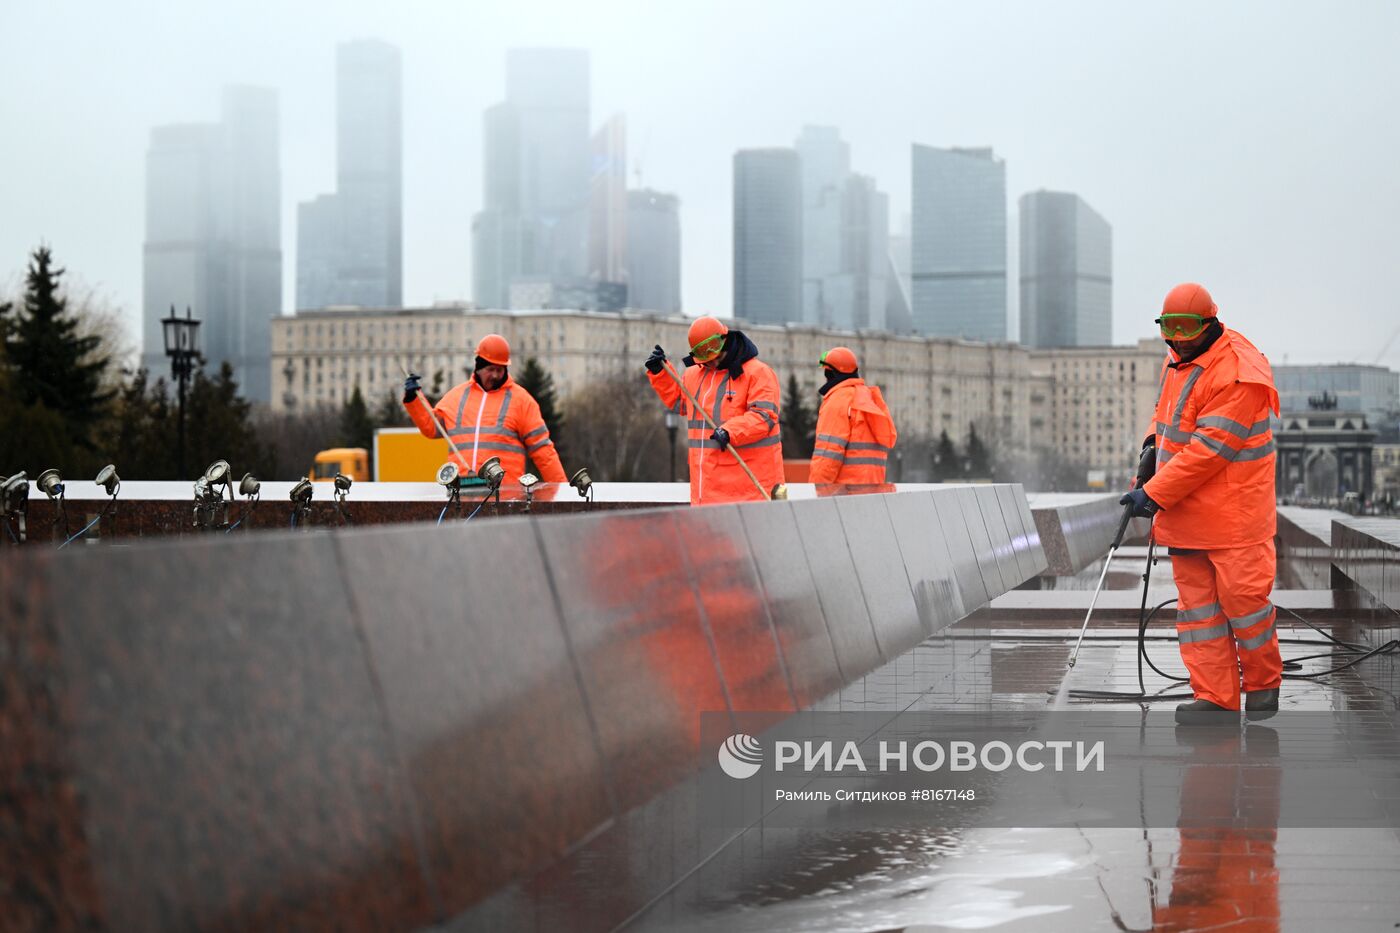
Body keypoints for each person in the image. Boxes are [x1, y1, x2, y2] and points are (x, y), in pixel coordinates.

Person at [1119, 283, 1283, 723]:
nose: (1177, 338)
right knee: (1200, 614)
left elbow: (1211, 450)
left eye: (1187, 328)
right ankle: (1214, 698)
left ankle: (1264, 687)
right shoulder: (1177, 361)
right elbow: (1167, 417)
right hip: (1189, 515)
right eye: (1168, 329)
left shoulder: (1237, 372)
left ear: (1209, 322)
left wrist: (1152, 493)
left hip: (1235, 519)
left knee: (1244, 604)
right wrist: (1151, 448)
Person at [644, 316, 782, 505]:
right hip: (706, 489)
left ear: (725, 339)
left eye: (716, 353)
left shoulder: (758, 373)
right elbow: (681, 402)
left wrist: (729, 431)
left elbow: (764, 416)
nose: (713, 361)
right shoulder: (694, 375)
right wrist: (661, 373)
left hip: (749, 491)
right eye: (706, 356)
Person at [402, 333, 567, 486]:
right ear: (478, 367)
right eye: (490, 369)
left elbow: (543, 451)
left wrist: (564, 493)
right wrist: (414, 398)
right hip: (461, 492)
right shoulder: (456, 397)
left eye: (499, 370)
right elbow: (431, 428)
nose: (495, 375)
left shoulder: (522, 401)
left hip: (505, 497)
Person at [808, 346, 897, 484]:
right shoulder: (868, 398)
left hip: (844, 492)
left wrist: (815, 491)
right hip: (872, 490)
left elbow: (828, 453)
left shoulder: (839, 400)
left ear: (831, 374)